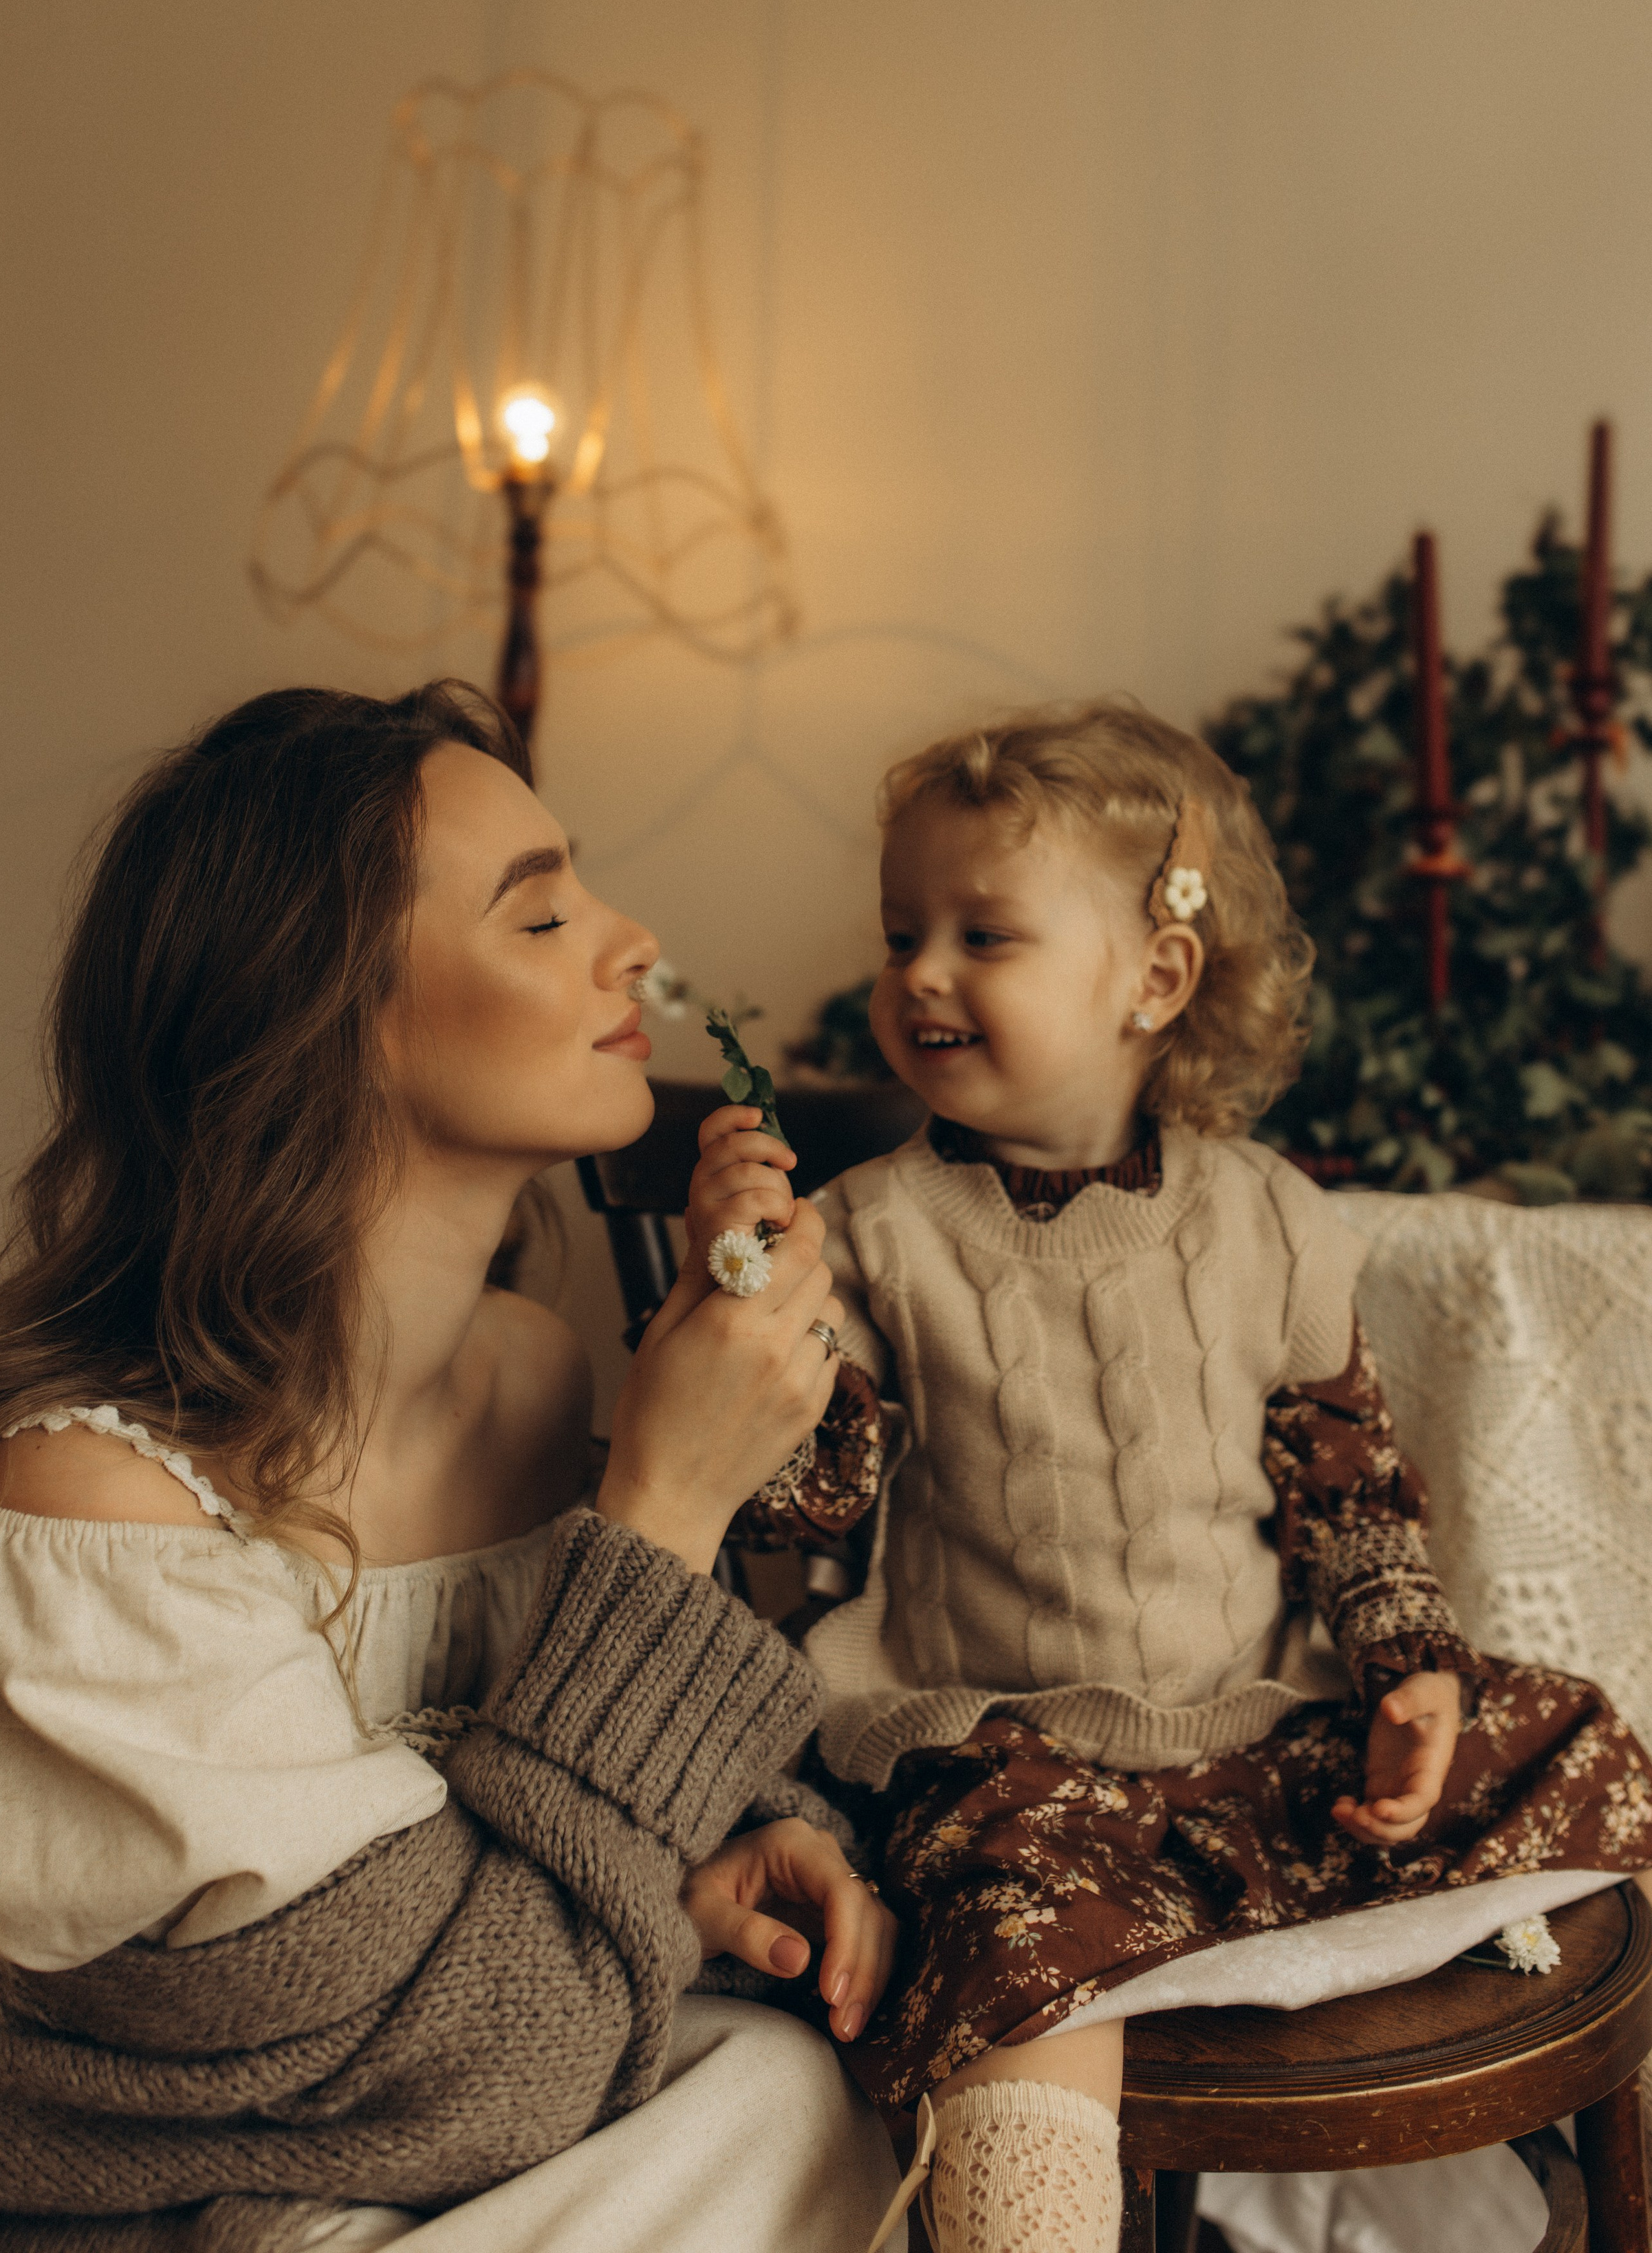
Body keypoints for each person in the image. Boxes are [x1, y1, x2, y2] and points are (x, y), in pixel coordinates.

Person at [0, 681, 902, 2253]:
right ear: (325, 1011)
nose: (631, 942)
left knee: (789, 2079)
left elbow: (549, 1823)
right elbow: (466, 2074)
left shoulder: (532, 1377)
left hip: (447, 2138)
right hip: (113, 2215)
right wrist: (669, 1509)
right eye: (541, 915)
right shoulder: (82, 1503)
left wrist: (736, 1839)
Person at [688, 699, 1652, 2253]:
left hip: (1249, 1732)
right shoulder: (869, 1227)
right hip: (1000, 1750)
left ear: (1155, 976)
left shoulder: (1264, 1218)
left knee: (1581, 1740)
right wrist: (756, 1291)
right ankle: (1036, 2214)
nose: (916, 971)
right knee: (1007, 1940)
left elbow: (1349, 1488)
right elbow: (797, 1502)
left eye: (979, 933)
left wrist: (1408, 1670)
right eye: (899, 930)